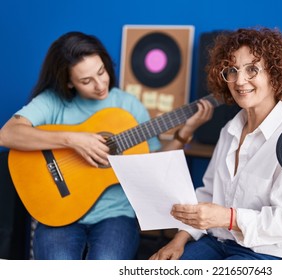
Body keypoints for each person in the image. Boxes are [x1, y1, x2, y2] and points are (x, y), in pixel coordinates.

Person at [0, 31, 214, 260]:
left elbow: (153, 166)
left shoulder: (127, 105)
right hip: (58, 213)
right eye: (85, 81)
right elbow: (7, 134)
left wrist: (185, 132)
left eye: (101, 72)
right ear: (68, 82)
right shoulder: (54, 101)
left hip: (116, 215)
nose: (100, 84)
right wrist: (73, 140)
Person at [149, 27, 282, 260]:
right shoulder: (230, 130)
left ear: (275, 74)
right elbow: (208, 192)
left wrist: (227, 218)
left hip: (276, 251)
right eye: (232, 71)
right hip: (222, 240)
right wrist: (179, 240)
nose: (240, 81)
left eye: (252, 69)